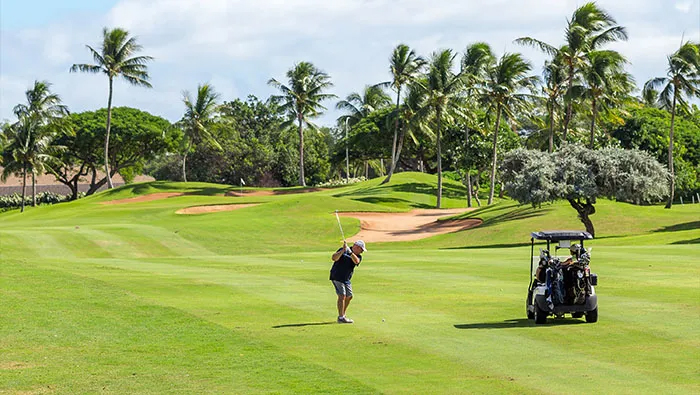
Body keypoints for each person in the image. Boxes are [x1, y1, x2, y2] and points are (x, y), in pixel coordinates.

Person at [330, 240, 367, 324]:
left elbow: (356, 261)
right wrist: (343, 250)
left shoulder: (358, 256)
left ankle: (343, 314)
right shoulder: (342, 250)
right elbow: (334, 258)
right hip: (337, 276)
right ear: (356, 247)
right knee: (342, 295)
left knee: (349, 296)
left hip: (346, 279)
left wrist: (350, 253)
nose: (362, 252)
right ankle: (341, 317)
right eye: (361, 249)